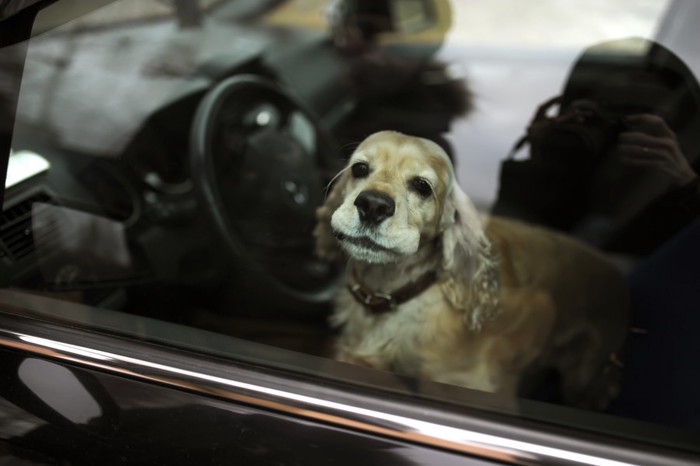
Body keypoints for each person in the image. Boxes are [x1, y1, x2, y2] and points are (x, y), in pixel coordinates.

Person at [492, 37, 700, 257]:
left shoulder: (683, 188)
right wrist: (545, 158)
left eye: (639, 116)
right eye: (600, 114)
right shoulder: (562, 182)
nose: (618, 130)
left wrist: (687, 187)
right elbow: (502, 261)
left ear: (681, 129)